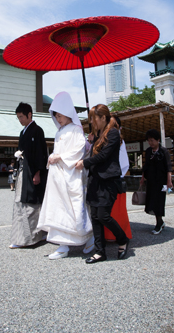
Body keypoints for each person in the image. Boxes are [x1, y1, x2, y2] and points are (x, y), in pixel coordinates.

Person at [37, 92, 94, 260]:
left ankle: (87, 237)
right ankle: (63, 245)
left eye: (60, 115)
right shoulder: (60, 131)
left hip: (70, 175)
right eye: (56, 116)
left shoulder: (76, 129)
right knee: (58, 208)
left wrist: (60, 157)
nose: (58, 119)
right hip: (57, 176)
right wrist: (53, 157)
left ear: (68, 113)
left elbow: (79, 149)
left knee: (72, 208)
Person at [75, 104, 129, 264]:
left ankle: (123, 239)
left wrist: (84, 163)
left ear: (103, 118)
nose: (92, 122)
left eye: (94, 118)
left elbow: (104, 156)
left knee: (103, 215)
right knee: (95, 217)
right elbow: (95, 154)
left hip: (108, 181)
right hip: (95, 180)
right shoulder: (98, 135)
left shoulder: (113, 133)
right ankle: (100, 252)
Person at [10, 102, 48, 249]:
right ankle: (22, 237)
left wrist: (38, 172)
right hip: (23, 170)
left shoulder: (37, 130)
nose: (20, 120)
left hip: (33, 172)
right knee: (20, 203)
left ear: (29, 115)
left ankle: (33, 237)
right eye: (18, 117)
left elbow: (41, 153)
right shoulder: (23, 132)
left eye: (21, 117)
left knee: (31, 204)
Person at [104, 116, 132, 241]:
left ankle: (118, 235)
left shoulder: (119, 140)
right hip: (111, 178)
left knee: (116, 212)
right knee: (110, 212)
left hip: (115, 179)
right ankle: (110, 235)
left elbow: (124, 163)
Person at [140, 129, 173, 234]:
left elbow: (169, 167)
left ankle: (158, 224)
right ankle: (160, 222)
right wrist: (142, 178)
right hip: (151, 180)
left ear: (158, 140)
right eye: (149, 141)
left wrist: (169, 181)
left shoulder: (164, 151)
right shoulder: (149, 151)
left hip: (161, 181)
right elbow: (146, 166)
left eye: (152, 140)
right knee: (151, 201)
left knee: (159, 202)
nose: (151, 143)